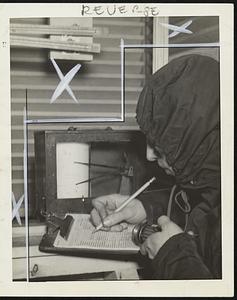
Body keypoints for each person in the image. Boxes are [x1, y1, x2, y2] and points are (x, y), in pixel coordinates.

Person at [90, 54, 221, 279]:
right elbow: (203, 211)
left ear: (198, 145)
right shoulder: (216, 183)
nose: (148, 156)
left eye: (161, 147)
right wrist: (144, 209)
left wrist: (173, 255)